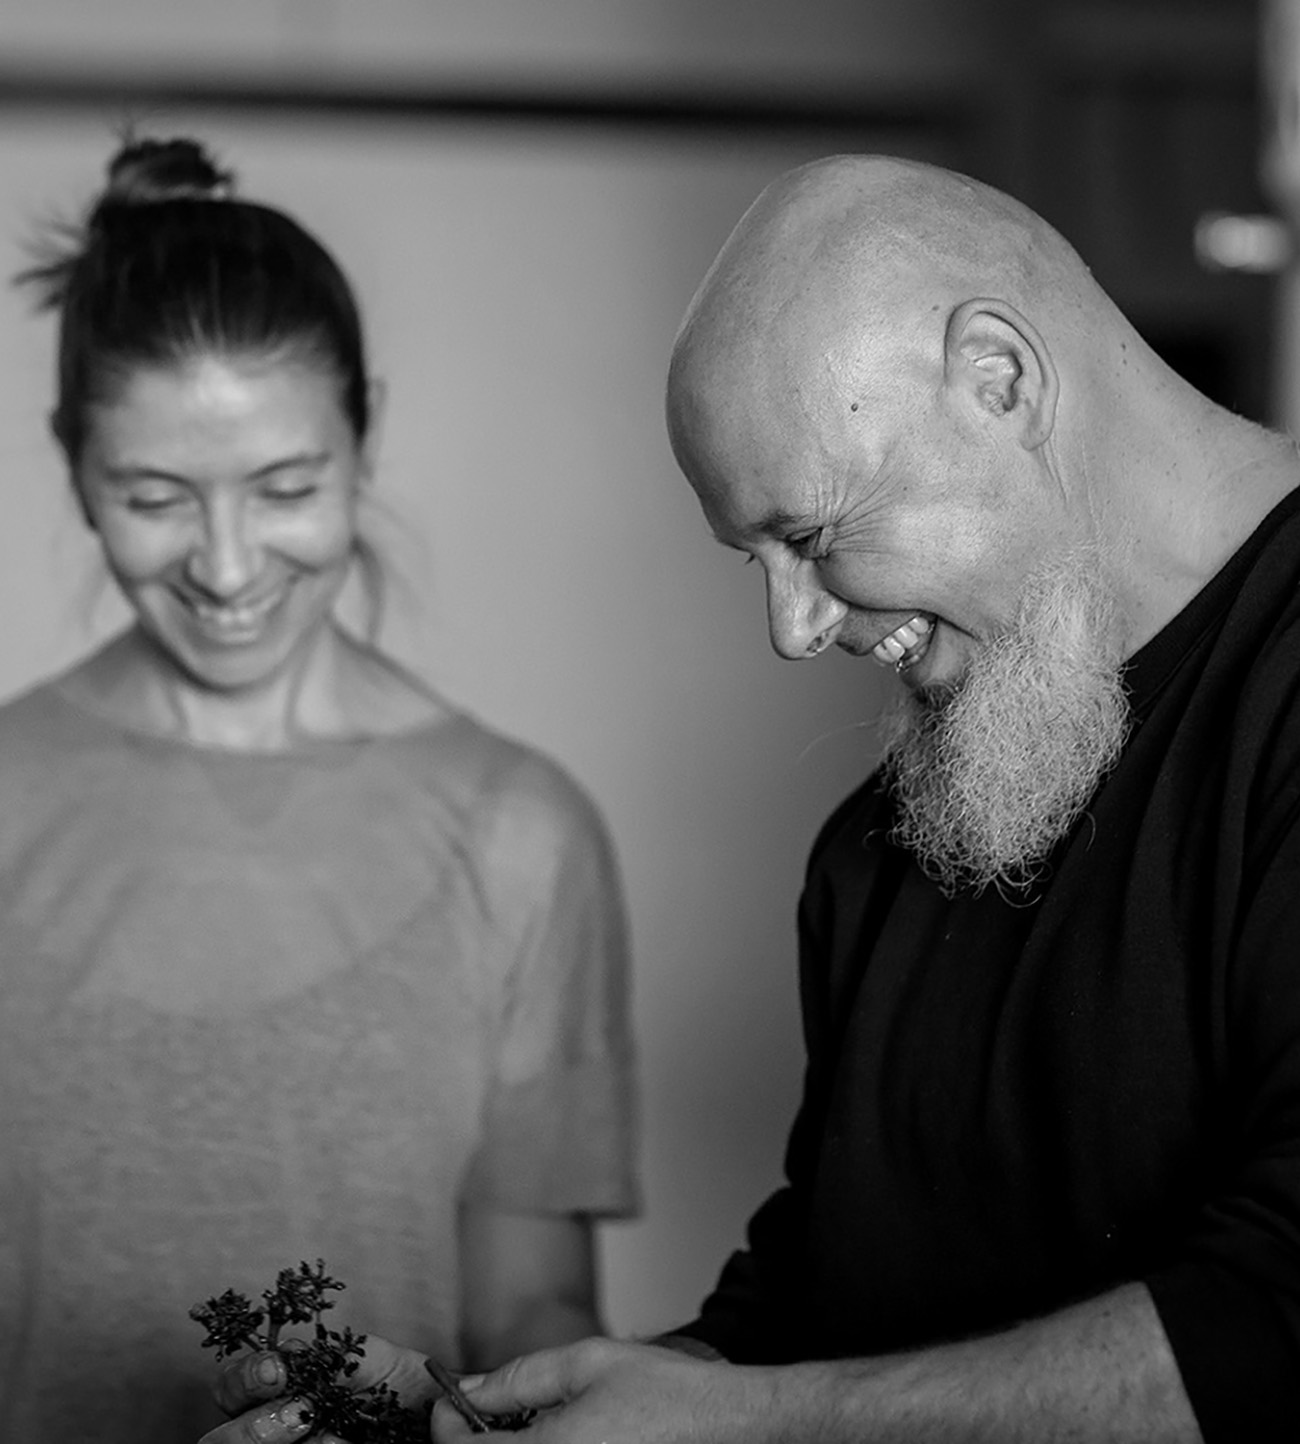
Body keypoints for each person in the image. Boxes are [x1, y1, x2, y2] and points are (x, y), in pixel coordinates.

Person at [210, 150, 1300, 1444]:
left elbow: (1275, 1325)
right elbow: (805, 1327)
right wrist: (485, 1423)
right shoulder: (887, 847)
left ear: (1000, 379)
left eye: (813, 536)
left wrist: (759, 1422)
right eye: (755, 560)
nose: (792, 629)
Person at [0, 134, 638, 1444]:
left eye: (286, 489)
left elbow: (532, 1316)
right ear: (72, 465)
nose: (228, 568)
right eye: (155, 497)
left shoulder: (522, 834)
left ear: (366, 435)